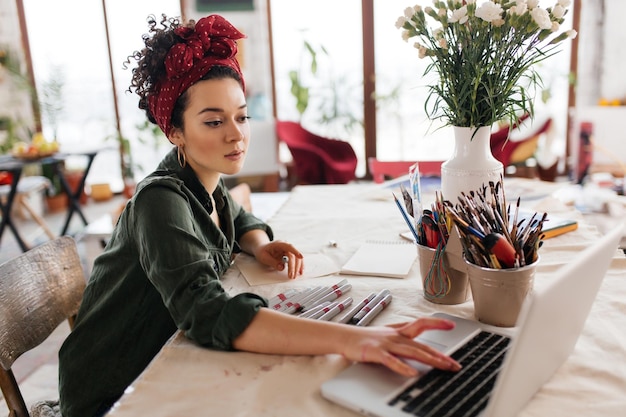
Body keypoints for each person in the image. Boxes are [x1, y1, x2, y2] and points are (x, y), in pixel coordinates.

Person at [57, 14, 461, 417]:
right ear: (175, 132)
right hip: (113, 389)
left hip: (157, 356)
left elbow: (238, 219)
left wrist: (261, 245)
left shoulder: (203, 179)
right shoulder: (160, 202)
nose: (236, 134)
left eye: (242, 116)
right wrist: (350, 339)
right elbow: (207, 313)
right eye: (214, 121)